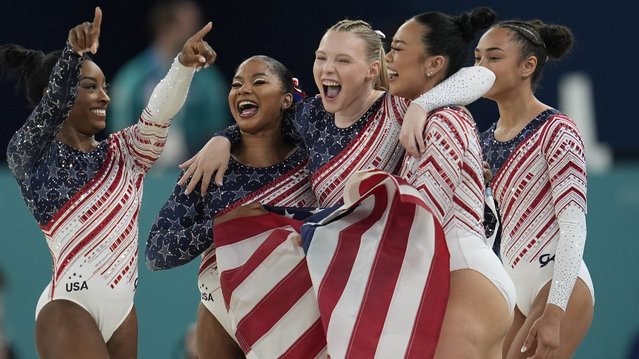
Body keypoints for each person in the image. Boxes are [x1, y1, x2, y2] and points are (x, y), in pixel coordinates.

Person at [179, 16, 500, 358]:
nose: (327, 68)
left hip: (394, 272)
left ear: (371, 69)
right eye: (321, 57)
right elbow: (259, 118)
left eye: (342, 60)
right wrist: (223, 138)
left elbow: (481, 75)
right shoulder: (310, 117)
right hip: (346, 277)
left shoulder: (401, 107)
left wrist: (424, 106)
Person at [1, 7, 216, 357]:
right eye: (90, 87)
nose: (105, 97)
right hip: (69, 307)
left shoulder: (125, 152)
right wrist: (72, 55)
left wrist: (182, 67)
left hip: (123, 312)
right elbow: (48, 114)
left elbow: (159, 112)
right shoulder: (32, 156)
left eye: (104, 87)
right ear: (54, 94)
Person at [145, 55, 316, 358]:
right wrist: (222, 225)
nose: (243, 90)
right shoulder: (206, 169)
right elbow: (157, 252)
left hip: (300, 312)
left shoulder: (311, 157)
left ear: (286, 98)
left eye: (259, 82)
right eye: (237, 84)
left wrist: (225, 135)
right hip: (223, 314)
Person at [385, 8, 516, 359]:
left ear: (432, 64)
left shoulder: (444, 120)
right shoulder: (430, 115)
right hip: (466, 276)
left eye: (398, 48)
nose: (388, 58)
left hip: (466, 278)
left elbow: (425, 216)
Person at [475, 19, 594, 359]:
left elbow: (574, 223)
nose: (481, 67)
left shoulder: (557, 131)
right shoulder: (482, 142)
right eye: (478, 58)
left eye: (493, 58)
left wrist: (555, 312)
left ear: (527, 66)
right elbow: (487, 230)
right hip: (513, 286)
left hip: (558, 284)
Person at [108, 0, 230, 168]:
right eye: (190, 24)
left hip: (191, 172)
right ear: (167, 25)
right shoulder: (131, 78)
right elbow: (119, 133)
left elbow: (218, 130)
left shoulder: (208, 79)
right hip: (143, 175)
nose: (198, 32)